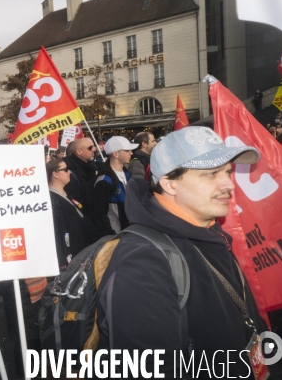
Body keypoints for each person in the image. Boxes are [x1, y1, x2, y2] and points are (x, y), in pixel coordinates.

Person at [94, 126, 267, 377]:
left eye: (228, 172)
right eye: (211, 174)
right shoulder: (143, 262)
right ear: (169, 184)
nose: (229, 184)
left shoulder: (209, 232)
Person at [47, 159, 100, 271]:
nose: (69, 172)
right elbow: (56, 229)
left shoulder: (67, 194)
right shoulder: (52, 198)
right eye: (65, 170)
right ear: (55, 174)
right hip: (71, 253)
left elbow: (80, 209)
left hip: (82, 247)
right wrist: (63, 257)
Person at [92, 136, 137, 235]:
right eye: (127, 150)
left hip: (127, 232)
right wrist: (110, 235)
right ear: (116, 154)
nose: (131, 153)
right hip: (114, 235)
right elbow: (99, 214)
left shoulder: (126, 174)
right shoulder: (104, 181)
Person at [62, 137, 98, 205]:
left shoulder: (92, 165)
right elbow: (72, 198)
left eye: (94, 146)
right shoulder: (67, 168)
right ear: (79, 152)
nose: (94, 149)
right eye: (90, 148)